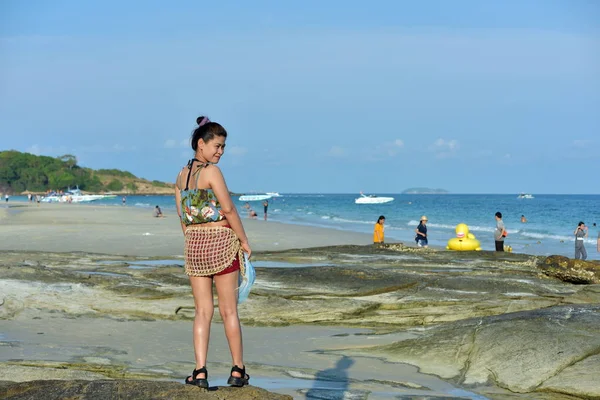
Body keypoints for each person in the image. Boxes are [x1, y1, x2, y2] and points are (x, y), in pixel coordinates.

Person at [174, 116, 251, 389]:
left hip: (195, 245)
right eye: (216, 146)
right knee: (229, 311)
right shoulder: (212, 172)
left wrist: (195, 240)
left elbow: (183, 217)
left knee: (202, 311)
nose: (220, 151)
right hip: (221, 242)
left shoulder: (181, 176)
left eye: (223, 147)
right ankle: (238, 370)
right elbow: (228, 209)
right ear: (200, 144)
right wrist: (243, 241)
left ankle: (199, 371)